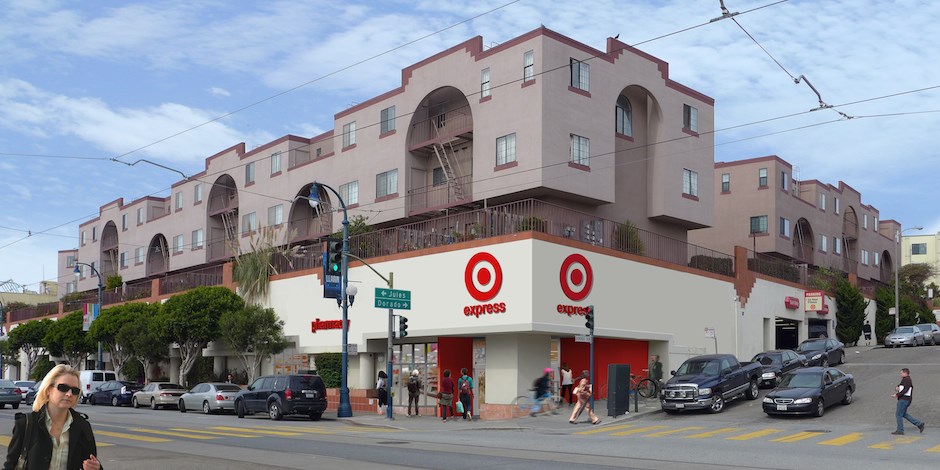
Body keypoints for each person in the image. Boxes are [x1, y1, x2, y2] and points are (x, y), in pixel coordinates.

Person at [3, 364, 101, 470]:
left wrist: (96, 467)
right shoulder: (26, 424)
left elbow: (91, 462)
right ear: (48, 389)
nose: (69, 394)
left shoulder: (82, 426)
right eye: (63, 388)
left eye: (75, 390)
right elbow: (10, 465)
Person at [892, 368, 925, 435]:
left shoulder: (907, 380)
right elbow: (902, 386)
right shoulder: (905, 379)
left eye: (901, 373)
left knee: (898, 414)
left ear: (905, 373)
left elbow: (905, 390)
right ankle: (919, 424)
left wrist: (897, 395)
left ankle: (900, 430)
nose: (900, 374)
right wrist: (897, 387)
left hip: (904, 400)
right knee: (903, 414)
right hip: (906, 400)